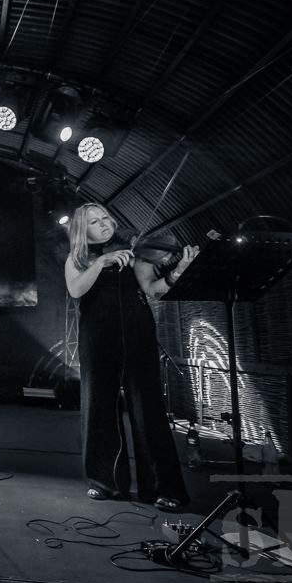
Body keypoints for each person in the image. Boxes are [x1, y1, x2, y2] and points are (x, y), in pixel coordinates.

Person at [64, 203, 198, 511]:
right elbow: (76, 290)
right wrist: (102, 262)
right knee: (99, 407)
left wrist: (178, 270)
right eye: (94, 222)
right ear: (83, 230)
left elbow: (152, 288)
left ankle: (163, 488)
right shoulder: (78, 258)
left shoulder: (136, 252)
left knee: (147, 408)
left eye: (105, 218)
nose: (104, 224)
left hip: (138, 334)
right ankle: (105, 482)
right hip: (97, 339)